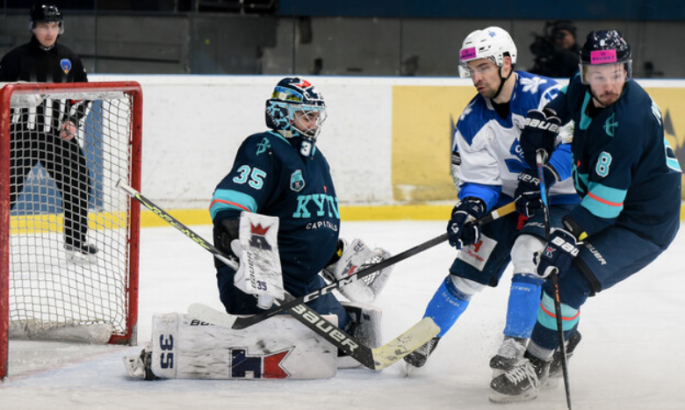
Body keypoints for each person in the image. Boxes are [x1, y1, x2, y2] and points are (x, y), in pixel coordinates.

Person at [490, 30, 682, 403]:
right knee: (558, 280)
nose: (608, 84)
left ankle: (537, 362)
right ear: (584, 72)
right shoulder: (581, 83)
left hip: (643, 224)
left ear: (627, 70)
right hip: (613, 204)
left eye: (616, 74)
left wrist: (569, 232)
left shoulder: (629, 121)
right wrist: (545, 122)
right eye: (598, 76)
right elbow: (563, 107)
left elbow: (606, 204)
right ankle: (562, 338)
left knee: (569, 281)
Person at [403, 27, 579, 375]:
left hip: (562, 198)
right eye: (470, 70)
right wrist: (470, 208)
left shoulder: (547, 95)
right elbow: (480, 178)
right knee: (469, 265)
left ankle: (516, 341)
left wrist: (541, 179)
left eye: (483, 67)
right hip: (512, 198)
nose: (476, 77)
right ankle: (426, 334)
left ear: (506, 62)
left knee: (527, 249)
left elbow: (575, 145)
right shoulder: (472, 118)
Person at [209, 76, 391, 334]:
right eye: (306, 116)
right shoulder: (265, 148)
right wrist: (246, 253)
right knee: (324, 341)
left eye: (316, 117)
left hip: (303, 283)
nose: (313, 124)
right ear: (281, 114)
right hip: (262, 282)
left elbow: (306, 219)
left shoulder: (317, 159)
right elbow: (229, 205)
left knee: (351, 333)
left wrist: (333, 255)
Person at [0, 4, 95, 256]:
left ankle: (75, 241)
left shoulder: (69, 58)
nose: (49, 31)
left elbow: (83, 96)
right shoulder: (13, 59)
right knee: (5, 189)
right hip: (21, 136)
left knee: (79, 183)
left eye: (54, 26)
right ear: (33, 28)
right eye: (44, 26)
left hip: (58, 136)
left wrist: (73, 121)